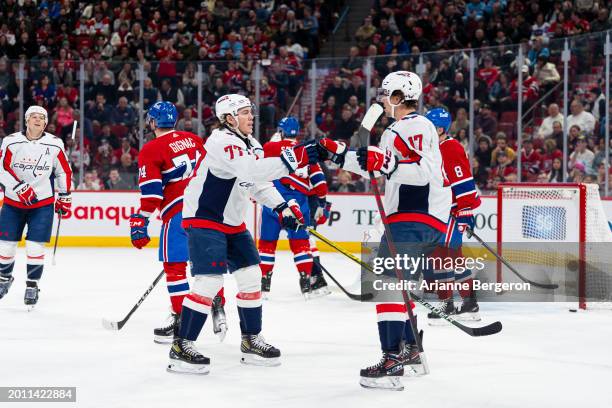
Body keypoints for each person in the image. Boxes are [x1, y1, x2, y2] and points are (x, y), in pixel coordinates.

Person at [318, 71, 451, 390]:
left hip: (414, 216)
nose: (380, 99)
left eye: (385, 94)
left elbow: (422, 172)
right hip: (417, 218)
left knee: (388, 285)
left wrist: (385, 162)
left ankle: (392, 360)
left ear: (398, 96)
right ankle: (411, 352)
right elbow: (378, 163)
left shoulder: (414, 125)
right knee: (397, 285)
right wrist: (338, 155)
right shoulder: (401, 129)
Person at [167, 94, 318, 374]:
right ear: (229, 118)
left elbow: (258, 181)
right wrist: (300, 156)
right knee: (209, 282)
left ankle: (250, 340)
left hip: (232, 223)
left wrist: (282, 205)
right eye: (245, 113)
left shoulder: (252, 145)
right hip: (205, 219)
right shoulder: (221, 142)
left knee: (251, 277)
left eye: (251, 112)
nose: (252, 117)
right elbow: (251, 169)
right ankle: (181, 345)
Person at [129, 101, 226, 344]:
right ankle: (218, 304)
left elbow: (152, 194)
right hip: (207, 208)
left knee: (175, 267)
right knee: (205, 266)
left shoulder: (150, 149)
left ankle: (181, 318)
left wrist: (141, 220)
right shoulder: (194, 139)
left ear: (152, 122)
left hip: (178, 212)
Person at [0, 106, 72, 308]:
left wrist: (64, 195)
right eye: (34, 116)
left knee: (35, 246)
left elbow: (63, 172)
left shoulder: (55, 144)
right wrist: (18, 186)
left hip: (42, 204)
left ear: (46, 123)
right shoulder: (11, 141)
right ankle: (4, 278)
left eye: (42, 117)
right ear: (26, 120)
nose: (38, 120)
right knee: (5, 245)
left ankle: (32, 285)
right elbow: (1, 168)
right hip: (13, 202)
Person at [258, 117, 331, 298]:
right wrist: (322, 202)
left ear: (281, 131)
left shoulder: (270, 147)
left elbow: (255, 170)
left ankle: (264, 286)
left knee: (267, 245)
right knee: (301, 246)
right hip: (300, 206)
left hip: (274, 203)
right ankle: (307, 283)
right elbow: (320, 182)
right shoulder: (307, 150)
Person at [423, 108, 482, 323]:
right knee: (450, 256)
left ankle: (447, 304)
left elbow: (463, 180)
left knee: (442, 255)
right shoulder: (433, 148)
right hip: (440, 211)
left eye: (428, 127)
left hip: (453, 211)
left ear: (439, 129)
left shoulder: (451, 147)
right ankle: (468, 303)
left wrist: (465, 212)